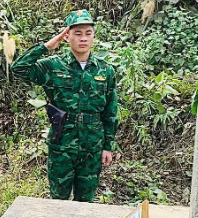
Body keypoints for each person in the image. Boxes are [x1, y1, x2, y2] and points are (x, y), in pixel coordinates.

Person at [11, 10, 118, 201]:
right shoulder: (53, 66)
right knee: (58, 201)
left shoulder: (105, 70)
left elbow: (110, 112)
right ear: (67, 36)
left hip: (92, 147)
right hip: (62, 145)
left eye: (88, 33)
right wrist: (46, 46)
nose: (83, 38)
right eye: (77, 33)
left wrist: (107, 146)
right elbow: (19, 68)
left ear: (94, 36)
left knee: (86, 202)